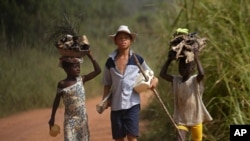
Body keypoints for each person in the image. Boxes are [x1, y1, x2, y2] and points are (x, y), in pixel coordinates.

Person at [102, 25, 158, 141]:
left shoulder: (137, 59)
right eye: (120, 38)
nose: (123, 40)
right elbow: (107, 83)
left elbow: (152, 76)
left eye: (126, 38)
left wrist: (154, 82)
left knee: (132, 138)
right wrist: (105, 99)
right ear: (116, 41)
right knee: (118, 138)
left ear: (131, 41)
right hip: (116, 106)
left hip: (133, 104)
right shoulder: (110, 62)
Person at [159, 48, 213, 141]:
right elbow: (162, 74)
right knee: (179, 139)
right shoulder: (176, 80)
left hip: (196, 118)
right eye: (180, 66)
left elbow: (202, 74)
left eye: (186, 66)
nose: (182, 68)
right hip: (182, 119)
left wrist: (196, 57)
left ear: (192, 68)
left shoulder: (194, 80)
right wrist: (169, 60)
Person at [48, 50, 101, 141]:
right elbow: (56, 101)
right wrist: (52, 117)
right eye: (75, 66)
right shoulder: (62, 84)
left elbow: (98, 70)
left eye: (79, 66)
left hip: (82, 120)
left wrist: (91, 56)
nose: (78, 69)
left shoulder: (81, 80)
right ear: (66, 69)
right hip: (70, 120)